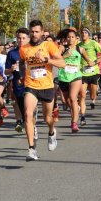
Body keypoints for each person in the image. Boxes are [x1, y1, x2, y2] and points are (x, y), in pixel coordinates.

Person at [19, 20, 65, 161]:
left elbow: (62, 63)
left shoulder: (49, 45)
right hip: (31, 85)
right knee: (27, 114)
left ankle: (51, 133)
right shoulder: (24, 48)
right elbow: (22, 62)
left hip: (46, 86)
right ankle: (31, 149)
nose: (34, 34)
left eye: (37, 31)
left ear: (42, 32)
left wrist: (47, 60)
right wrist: (22, 75)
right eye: (32, 31)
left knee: (48, 119)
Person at [58, 28, 92, 132]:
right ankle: (75, 110)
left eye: (73, 37)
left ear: (76, 38)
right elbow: (56, 60)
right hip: (63, 76)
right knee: (68, 101)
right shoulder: (62, 48)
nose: (70, 39)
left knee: (73, 98)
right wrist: (65, 56)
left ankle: (74, 123)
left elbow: (88, 60)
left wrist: (91, 63)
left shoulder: (80, 49)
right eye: (68, 37)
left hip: (76, 76)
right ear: (66, 38)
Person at [78, 27, 101, 125]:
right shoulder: (78, 45)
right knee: (82, 95)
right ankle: (83, 117)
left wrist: (95, 62)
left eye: (85, 32)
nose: (83, 34)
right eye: (82, 32)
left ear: (89, 34)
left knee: (92, 95)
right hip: (83, 72)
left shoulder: (94, 43)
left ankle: (93, 99)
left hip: (93, 72)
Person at [5, 27, 29, 133]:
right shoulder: (12, 53)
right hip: (18, 83)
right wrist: (11, 69)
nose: (21, 40)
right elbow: (6, 71)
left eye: (24, 38)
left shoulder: (32, 51)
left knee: (28, 106)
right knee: (19, 104)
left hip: (31, 83)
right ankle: (22, 120)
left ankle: (29, 124)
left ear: (28, 39)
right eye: (19, 38)